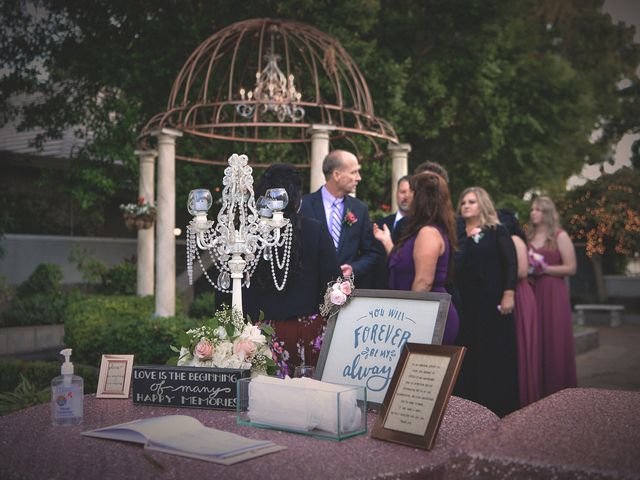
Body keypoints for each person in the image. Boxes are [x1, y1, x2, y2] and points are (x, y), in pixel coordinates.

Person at [243, 164, 340, 377]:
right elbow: (333, 284)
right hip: (306, 331)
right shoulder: (314, 229)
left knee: (263, 398)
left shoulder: (248, 234)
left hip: (260, 334)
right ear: (297, 196)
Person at [373, 172, 459, 344]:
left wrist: (406, 320)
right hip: (422, 313)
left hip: (430, 316)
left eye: (412, 191)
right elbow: (405, 265)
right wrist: (387, 242)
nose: (408, 196)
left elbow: (423, 283)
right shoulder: (421, 230)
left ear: (421, 198)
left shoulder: (428, 233)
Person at [455, 187, 519, 417]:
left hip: (494, 302)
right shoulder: (458, 234)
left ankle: (500, 406)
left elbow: (511, 264)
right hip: (468, 305)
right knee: (472, 354)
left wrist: (509, 293)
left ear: (483, 204)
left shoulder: (497, 231)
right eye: (463, 202)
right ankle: (473, 406)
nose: (466, 206)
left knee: (495, 353)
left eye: (471, 201)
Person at [300, 150, 379, 287]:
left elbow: (371, 253)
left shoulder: (360, 209)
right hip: (309, 291)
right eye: (354, 172)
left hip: (347, 294)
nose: (359, 178)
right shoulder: (304, 206)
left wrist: (353, 269)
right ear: (336, 175)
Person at [527, 196, 577, 397]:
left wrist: (545, 268)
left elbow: (571, 268)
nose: (533, 213)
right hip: (533, 290)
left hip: (553, 292)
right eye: (532, 209)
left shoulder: (559, 236)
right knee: (535, 337)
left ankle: (558, 389)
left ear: (546, 212)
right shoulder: (528, 236)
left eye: (537, 209)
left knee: (553, 337)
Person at [499, 209, 542, 407]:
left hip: (519, 294)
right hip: (515, 293)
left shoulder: (515, 239)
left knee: (522, 342)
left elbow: (522, 271)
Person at [372, 175, 413, 288]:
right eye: (402, 191)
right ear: (396, 193)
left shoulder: (422, 228)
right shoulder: (380, 224)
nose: (406, 196)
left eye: (411, 192)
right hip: (380, 290)